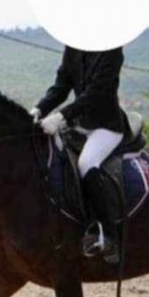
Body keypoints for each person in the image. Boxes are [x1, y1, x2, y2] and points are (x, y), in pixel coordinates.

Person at [30, 46, 130, 264]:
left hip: (106, 127)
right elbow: (61, 87)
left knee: (86, 164)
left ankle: (109, 234)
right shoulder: (72, 48)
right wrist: (38, 109)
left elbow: (97, 93)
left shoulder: (111, 50)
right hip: (79, 125)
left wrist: (61, 117)